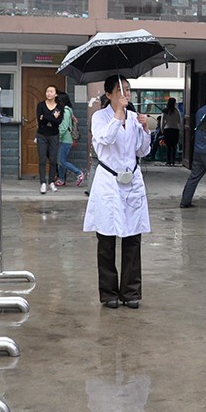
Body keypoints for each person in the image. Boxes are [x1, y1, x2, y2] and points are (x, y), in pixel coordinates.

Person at [84, 75, 151, 309]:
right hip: (108, 183)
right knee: (106, 238)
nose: (126, 94)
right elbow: (105, 139)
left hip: (131, 181)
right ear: (109, 94)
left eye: (128, 90)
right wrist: (118, 115)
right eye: (121, 90)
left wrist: (145, 129)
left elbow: (142, 151)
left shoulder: (134, 117)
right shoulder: (99, 118)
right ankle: (109, 293)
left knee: (133, 237)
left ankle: (131, 292)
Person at [36, 85, 63, 194]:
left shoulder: (59, 107)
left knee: (52, 159)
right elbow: (40, 121)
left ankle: (51, 181)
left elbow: (58, 122)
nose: (49, 93)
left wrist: (46, 117)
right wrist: (52, 117)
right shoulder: (41, 105)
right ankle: (43, 182)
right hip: (42, 135)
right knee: (42, 159)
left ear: (56, 94)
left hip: (54, 135)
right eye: (47, 91)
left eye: (51, 91)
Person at [55, 92, 86, 187]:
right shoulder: (67, 110)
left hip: (65, 139)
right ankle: (61, 179)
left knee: (62, 161)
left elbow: (64, 127)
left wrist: (57, 136)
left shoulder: (65, 111)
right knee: (60, 161)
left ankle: (79, 173)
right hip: (64, 139)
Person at [160, 97, 182, 166]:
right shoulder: (177, 111)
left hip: (167, 129)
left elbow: (162, 122)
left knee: (168, 146)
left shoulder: (165, 111)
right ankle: (173, 161)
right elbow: (179, 121)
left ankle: (168, 161)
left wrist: (162, 129)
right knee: (174, 146)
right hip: (175, 129)